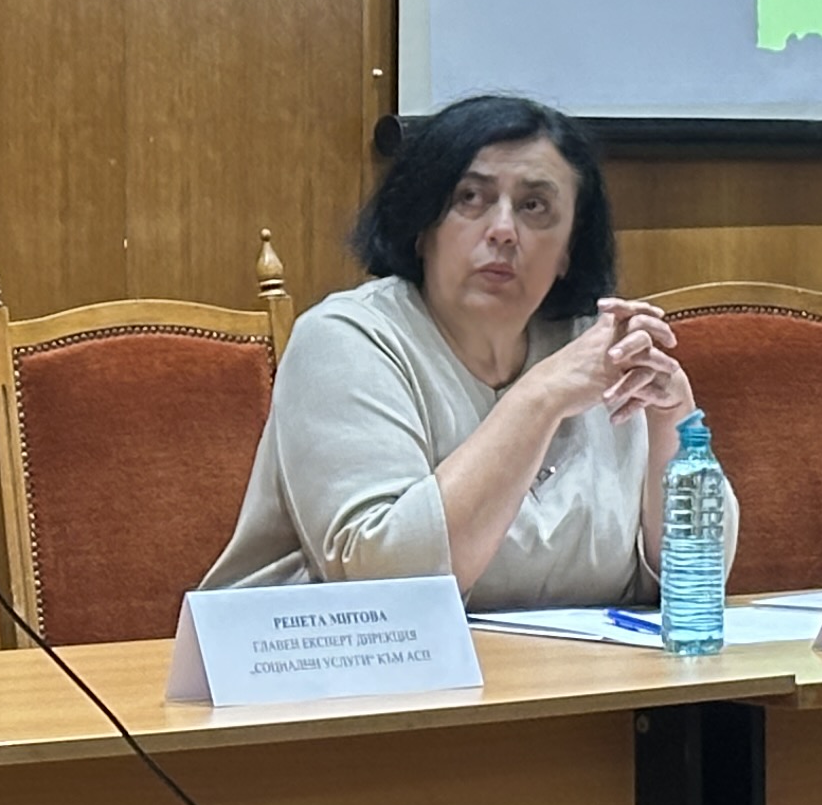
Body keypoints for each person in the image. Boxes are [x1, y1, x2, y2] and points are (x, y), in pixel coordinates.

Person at [204, 93, 694, 606]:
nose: (503, 231)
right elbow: (385, 585)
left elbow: (694, 580)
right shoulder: (344, 340)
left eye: (534, 206)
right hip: (328, 654)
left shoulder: (600, 351)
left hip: (554, 661)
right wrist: (541, 397)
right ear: (423, 227)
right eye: (471, 198)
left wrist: (672, 418)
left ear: (569, 247)